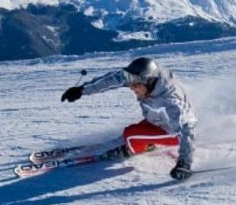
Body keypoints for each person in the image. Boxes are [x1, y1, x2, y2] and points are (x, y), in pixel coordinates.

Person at [61, 57, 197, 180]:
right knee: (133, 132)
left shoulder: (171, 100)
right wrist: (81, 90)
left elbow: (187, 129)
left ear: (148, 82)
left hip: (174, 134)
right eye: (131, 83)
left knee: (130, 134)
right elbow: (113, 79)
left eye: (135, 85)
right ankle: (145, 143)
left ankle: (130, 150)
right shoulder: (143, 77)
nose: (131, 88)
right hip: (159, 121)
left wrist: (184, 163)